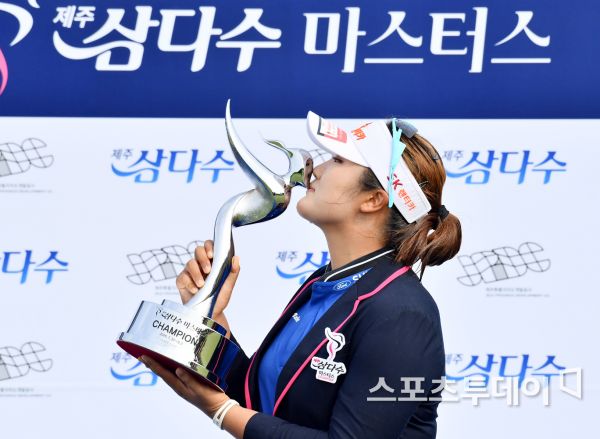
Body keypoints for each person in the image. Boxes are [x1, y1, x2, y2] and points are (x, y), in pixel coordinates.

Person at [141, 113, 462, 438]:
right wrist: (213, 319)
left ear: (373, 199)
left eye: (337, 160)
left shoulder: (402, 313)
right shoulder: (324, 282)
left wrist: (222, 411)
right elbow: (263, 403)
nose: (315, 170)